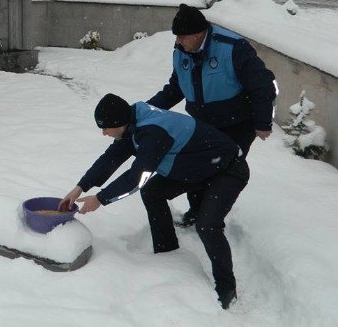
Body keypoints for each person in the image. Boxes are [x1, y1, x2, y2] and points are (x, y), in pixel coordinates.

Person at [60, 94, 247, 309]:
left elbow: (139, 176)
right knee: (153, 191)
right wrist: (80, 187)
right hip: (195, 168)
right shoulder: (132, 125)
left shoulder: (152, 132)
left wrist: (101, 199)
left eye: (106, 128)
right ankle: (168, 251)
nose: (104, 133)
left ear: (119, 123)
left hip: (228, 170)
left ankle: (227, 288)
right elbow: (110, 159)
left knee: (208, 226)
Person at [147, 4, 276, 227]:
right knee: (195, 166)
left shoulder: (233, 47)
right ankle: (198, 212)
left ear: (199, 34)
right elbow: (176, 87)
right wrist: (147, 111)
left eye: (182, 36)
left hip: (236, 124)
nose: (177, 41)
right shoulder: (182, 50)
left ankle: (211, 221)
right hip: (202, 123)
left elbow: (263, 85)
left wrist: (263, 122)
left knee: (222, 170)